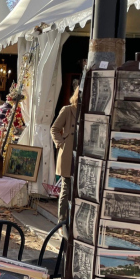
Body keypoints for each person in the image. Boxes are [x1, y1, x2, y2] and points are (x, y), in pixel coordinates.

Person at [50, 86, 79, 230]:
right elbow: (54, 128)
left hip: (83, 154)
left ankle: (75, 222)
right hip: (69, 153)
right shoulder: (68, 110)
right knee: (66, 188)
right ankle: (61, 223)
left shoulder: (89, 112)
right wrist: (61, 143)